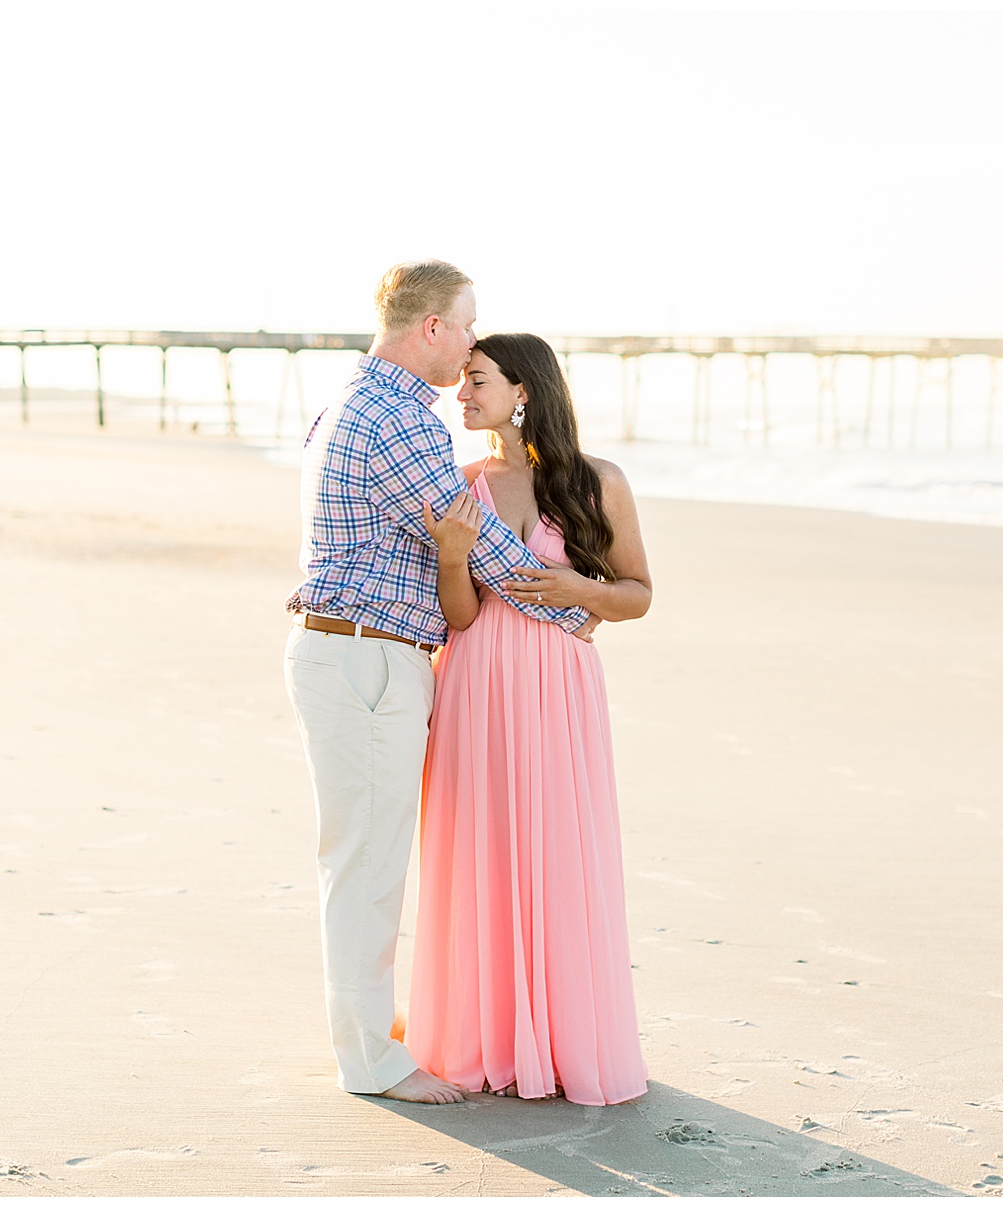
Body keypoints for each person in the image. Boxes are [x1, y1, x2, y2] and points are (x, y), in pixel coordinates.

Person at [282, 263, 594, 1106]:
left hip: (351, 652)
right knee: (369, 862)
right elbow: (483, 546)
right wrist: (572, 610)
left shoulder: (352, 400)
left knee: (364, 852)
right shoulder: (399, 421)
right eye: (464, 326)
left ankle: (368, 1026)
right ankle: (372, 1061)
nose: (468, 347)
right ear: (430, 328)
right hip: (368, 657)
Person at [406, 332, 653, 1106]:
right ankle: (485, 1035)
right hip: (476, 680)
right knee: (479, 849)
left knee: (556, 846)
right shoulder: (461, 484)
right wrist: (452, 556)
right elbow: (461, 616)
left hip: (559, 687)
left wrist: (581, 589)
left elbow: (639, 593)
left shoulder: (596, 482)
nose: (462, 393)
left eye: (476, 380)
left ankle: (562, 1038)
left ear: (523, 390)